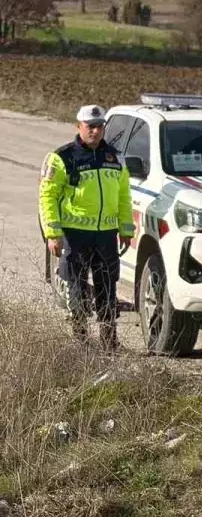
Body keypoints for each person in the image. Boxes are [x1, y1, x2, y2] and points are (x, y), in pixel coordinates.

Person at [38, 105, 134, 350]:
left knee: (107, 287)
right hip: (75, 234)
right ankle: (81, 339)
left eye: (100, 126)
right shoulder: (62, 157)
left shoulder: (115, 157)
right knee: (76, 287)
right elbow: (47, 197)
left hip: (105, 236)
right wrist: (52, 233)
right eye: (90, 126)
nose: (95, 131)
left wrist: (126, 229)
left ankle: (108, 339)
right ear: (78, 126)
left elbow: (123, 195)